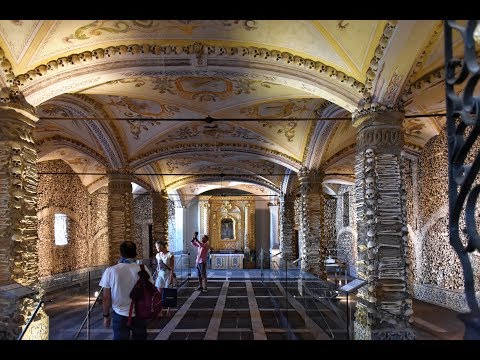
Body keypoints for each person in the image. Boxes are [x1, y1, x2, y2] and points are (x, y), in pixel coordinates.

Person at [99, 240, 153, 340]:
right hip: (140, 313)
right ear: (135, 253)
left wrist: (106, 316)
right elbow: (150, 290)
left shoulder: (110, 271)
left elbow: (106, 298)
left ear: (120, 253)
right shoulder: (143, 268)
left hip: (120, 314)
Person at [154, 240, 174, 317]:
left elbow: (172, 267)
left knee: (168, 293)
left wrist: (171, 277)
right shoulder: (157, 255)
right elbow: (157, 267)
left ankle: (169, 310)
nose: (156, 248)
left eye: (157, 246)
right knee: (159, 294)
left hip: (168, 274)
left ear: (161, 246)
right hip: (160, 275)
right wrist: (156, 276)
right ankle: (160, 310)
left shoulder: (170, 254)